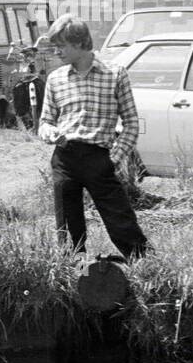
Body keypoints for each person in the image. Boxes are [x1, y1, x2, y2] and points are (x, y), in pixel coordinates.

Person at [37, 16, 148, 261]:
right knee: (67, 225)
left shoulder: (115, 74)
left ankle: (145, 267)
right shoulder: (56, 79)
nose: (57, 52)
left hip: (99, 157)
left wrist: (114, 159)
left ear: (79, 43)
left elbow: (131, 123)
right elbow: (44, 122)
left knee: (120, 219)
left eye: (62, 46)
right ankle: (75, 271)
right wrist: (50, 133)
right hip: (65, 158)